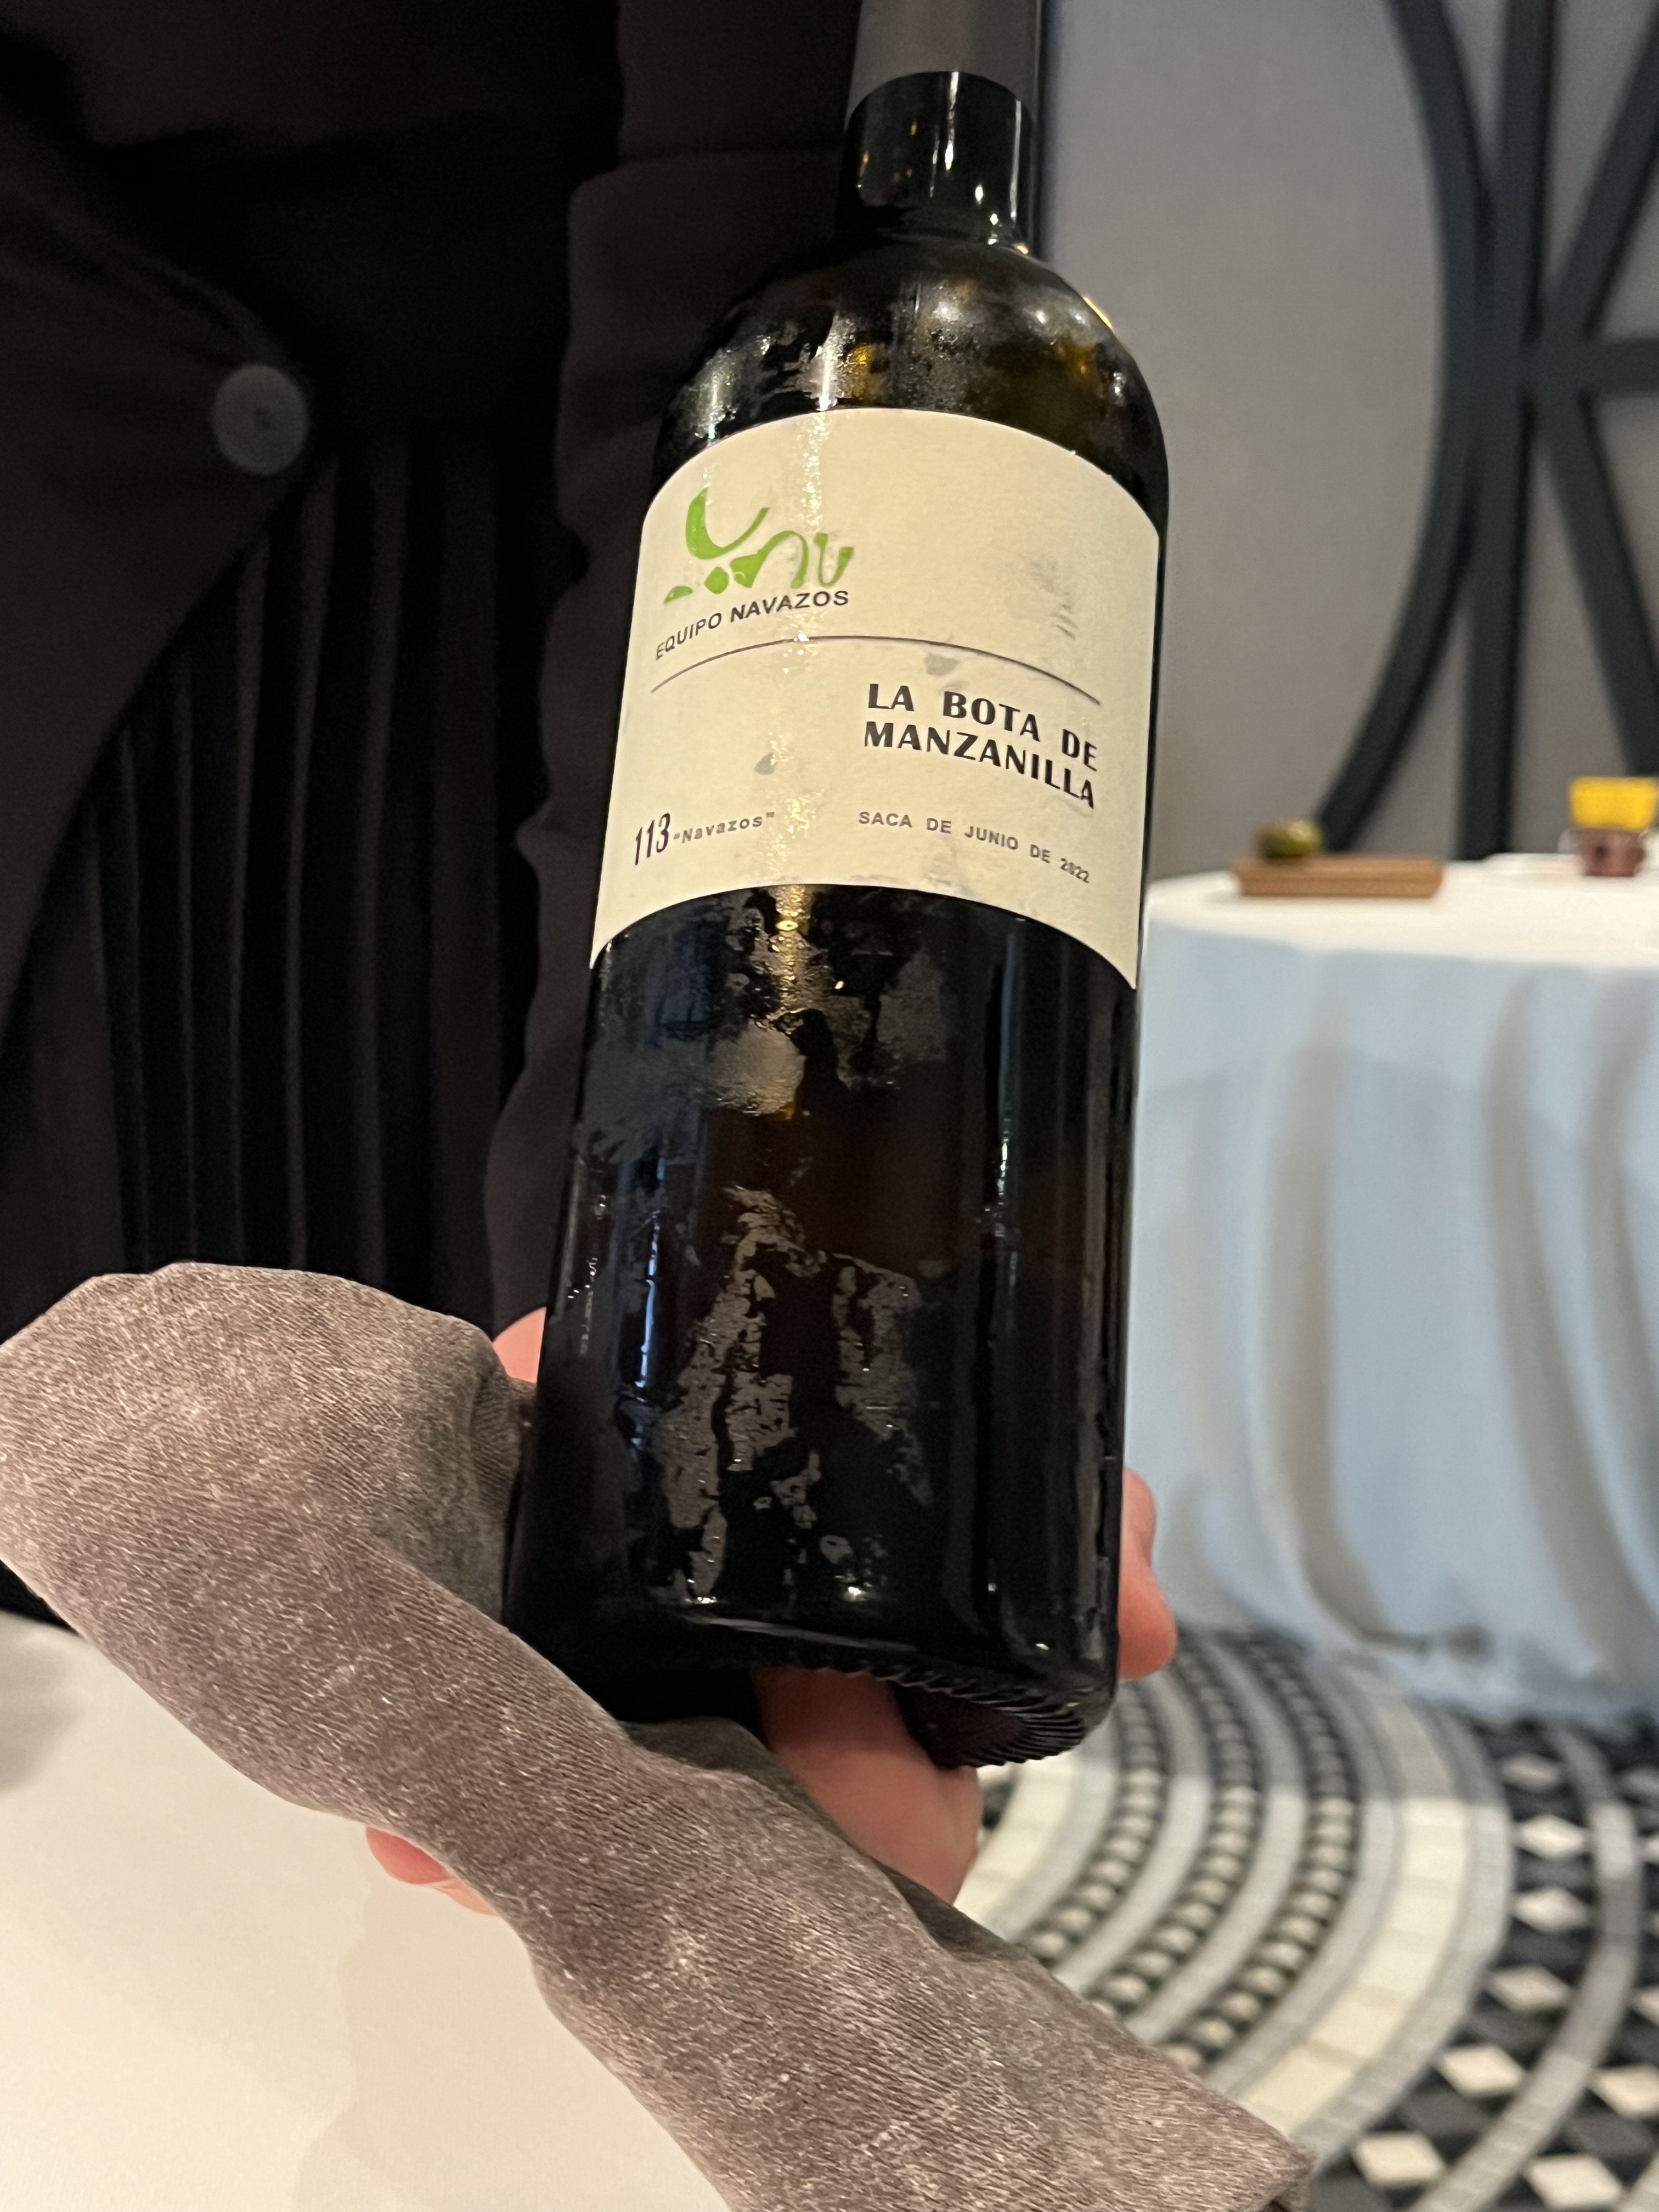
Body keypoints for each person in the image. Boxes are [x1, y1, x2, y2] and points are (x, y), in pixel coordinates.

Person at [0, 0, 1175, 1904]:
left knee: (462, 1772)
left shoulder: (950, 354)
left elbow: (704, 305)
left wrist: (608, 1261)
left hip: (472, 751)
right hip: (62, 784)